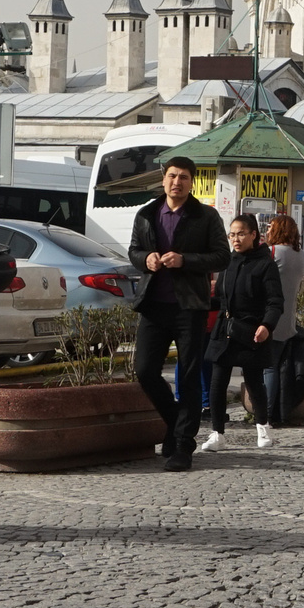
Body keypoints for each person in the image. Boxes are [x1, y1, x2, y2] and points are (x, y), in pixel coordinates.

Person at [128, 157, 230, 470]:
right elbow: (133, 251)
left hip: (190, 307)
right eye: (172, 176)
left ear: (192, 182)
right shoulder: (146, 214)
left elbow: (222, 257)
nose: (177, 182)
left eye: (184, 177)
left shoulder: (206, 215)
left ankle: (183, 446)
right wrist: (146, 259)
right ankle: (175, 422)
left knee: (188, 375)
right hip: (154, 305)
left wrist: (185, 260)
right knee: (144, 370)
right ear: (163, 179)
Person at [200, 216, 287, 453]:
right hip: (224, 329)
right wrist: (200, 301)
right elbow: (221, 298)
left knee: (254, 381)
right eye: (232, 235)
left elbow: (275, 301)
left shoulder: (265, 264)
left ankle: (262, 426)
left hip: (251, 330)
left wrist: (267, 325)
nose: (235, 239)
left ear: (253, 235)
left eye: (240, 234)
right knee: (217, 383)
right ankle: (217, 433)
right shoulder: (227, 262)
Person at [261, 214, 304, 441]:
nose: (268, 230)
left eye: (271, 227)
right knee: (279, 368)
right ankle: (279, 412)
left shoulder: (274, 253)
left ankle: (266, 415)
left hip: (270, 318)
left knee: (268, 368)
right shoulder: (300, 255)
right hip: (288, 318)